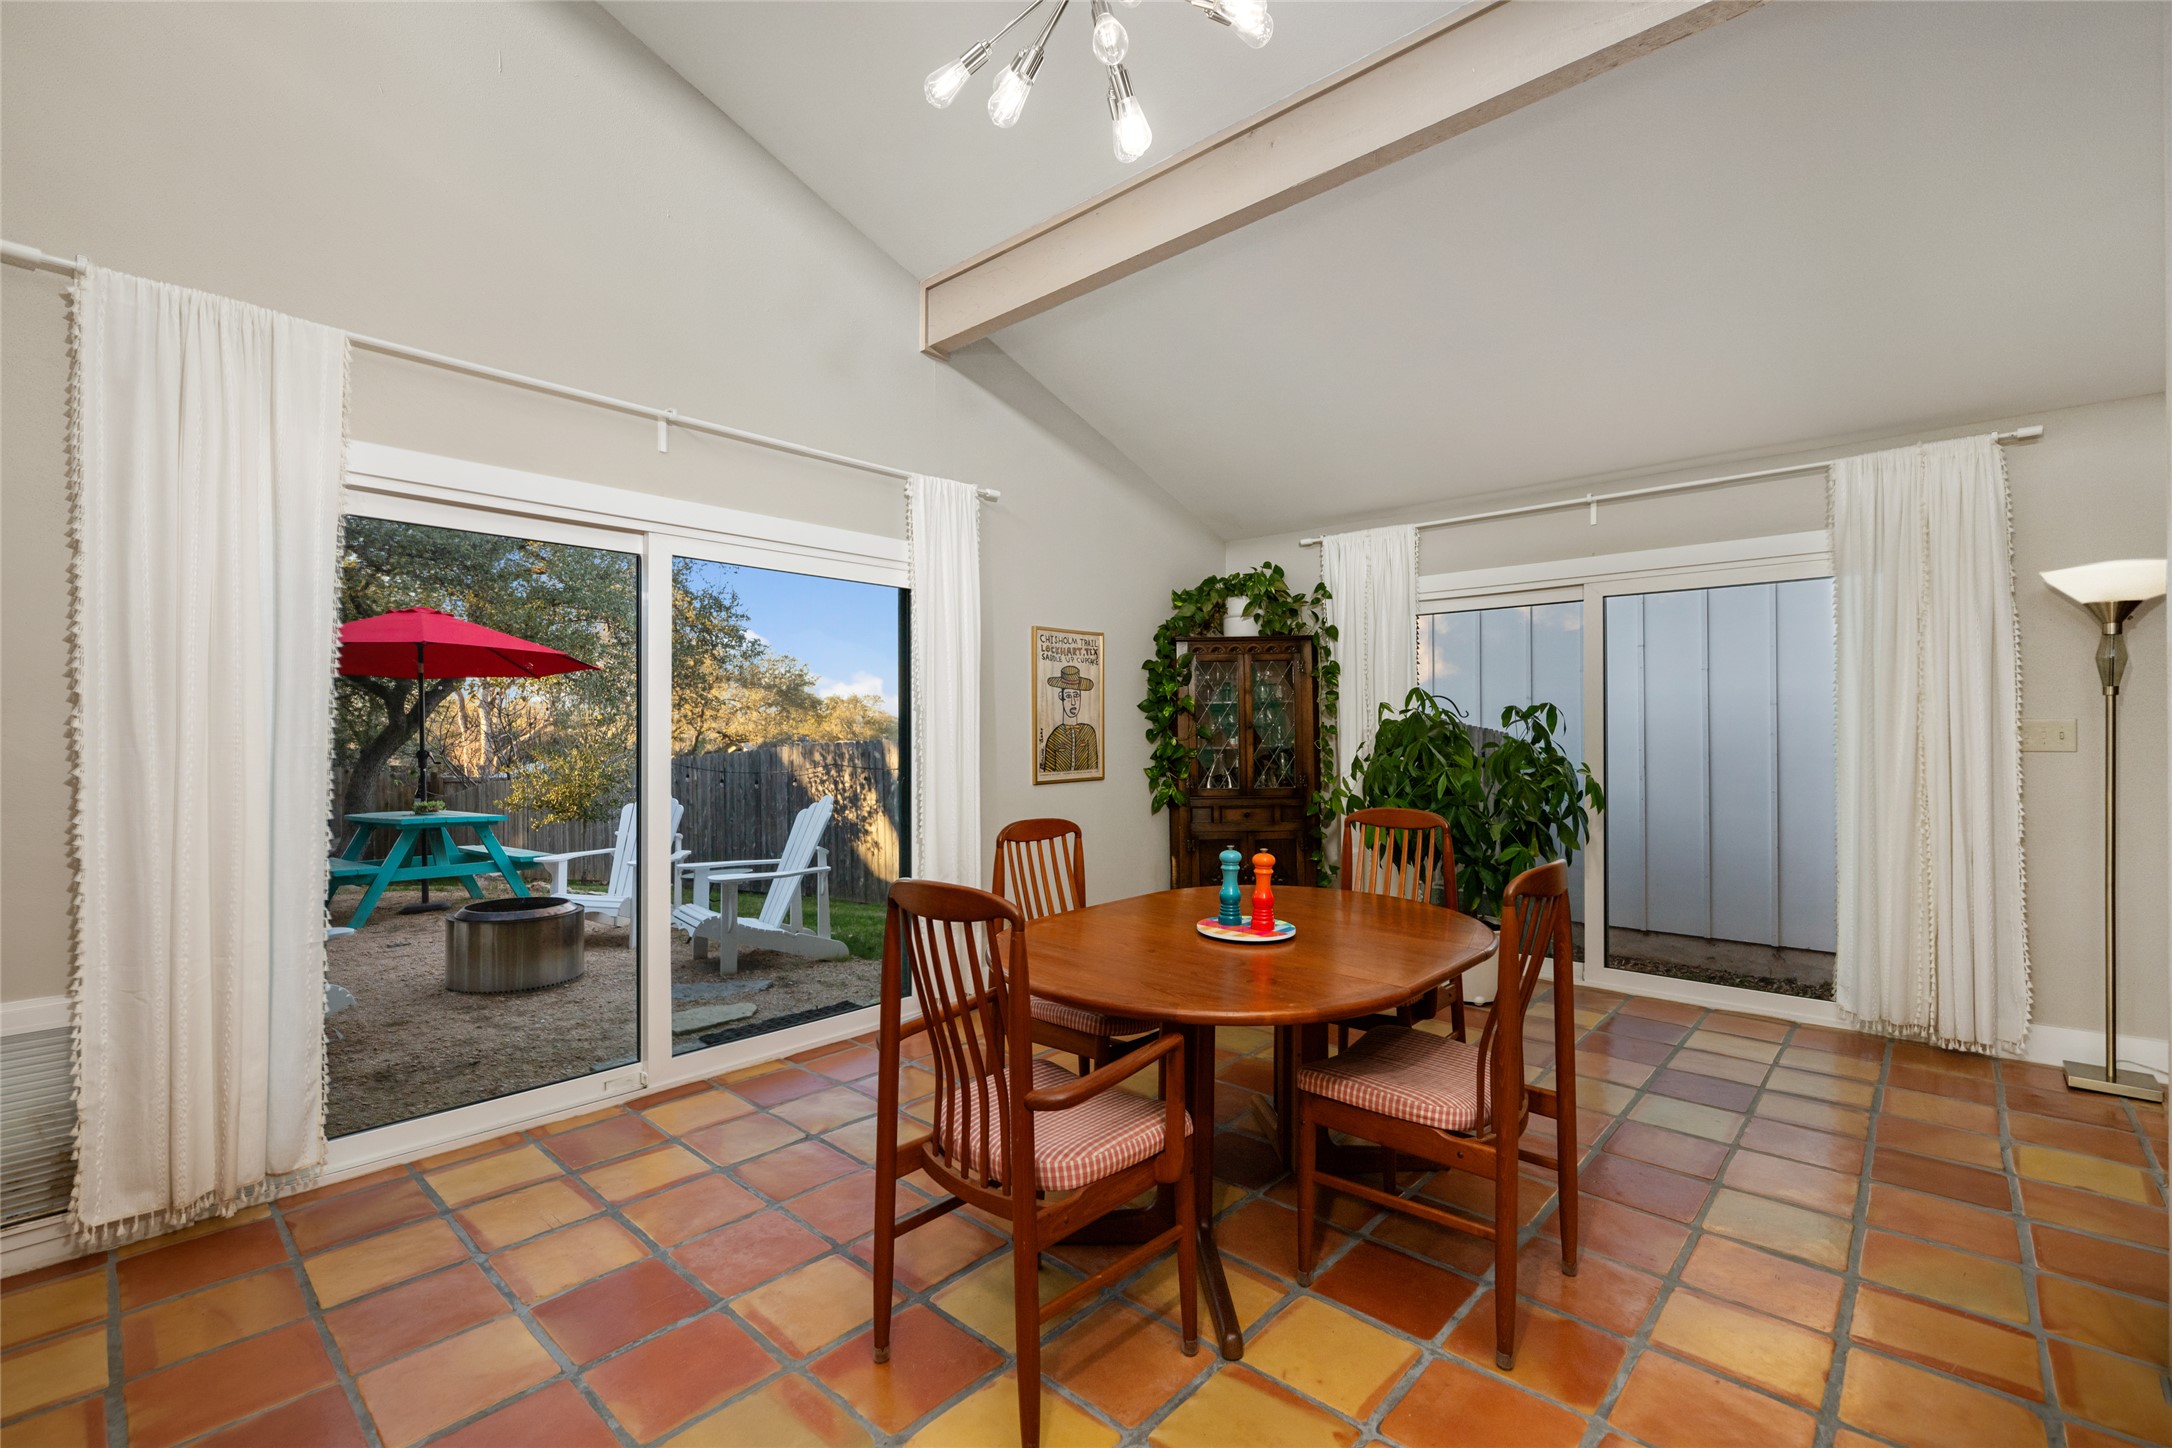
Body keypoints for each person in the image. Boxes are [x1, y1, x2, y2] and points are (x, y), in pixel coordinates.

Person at [1039, 664, 1100, 774]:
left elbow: (1094, 769)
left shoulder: (1089, 733)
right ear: (1060, 697)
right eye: (1068, 696)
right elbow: (1048, 773)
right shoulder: (1054, 737)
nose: (1073, 702)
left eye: (1076, 695)